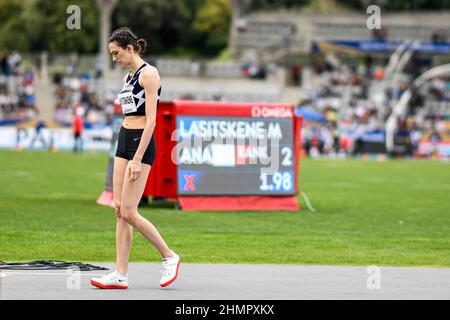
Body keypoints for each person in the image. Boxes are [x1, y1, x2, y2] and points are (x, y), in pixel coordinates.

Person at [90, 27, 180, 290]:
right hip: (124, 138)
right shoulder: (128, 76)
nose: (114, 58)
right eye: (111, 54)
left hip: (141, 142)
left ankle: (169, 255)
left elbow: (151, 121)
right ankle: (120, 273)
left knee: (130, 211)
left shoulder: (148, 74)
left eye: (116, 53)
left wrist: (138, 159)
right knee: (119, 209)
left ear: (129, 49)